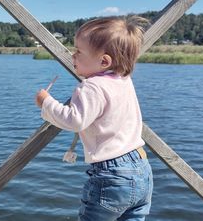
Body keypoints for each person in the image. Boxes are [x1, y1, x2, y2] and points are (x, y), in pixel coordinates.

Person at [35, 16, 153, 220]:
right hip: (142, 167)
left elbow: (74, 120)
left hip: (112, 174)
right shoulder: (124, 80)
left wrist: (46, 102)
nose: (72, 56)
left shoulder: (92, 87)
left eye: (78, 51)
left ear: (104, 61)